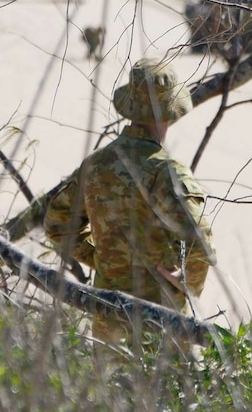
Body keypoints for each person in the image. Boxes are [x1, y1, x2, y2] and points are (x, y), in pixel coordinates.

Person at [29, 57, 215, 352]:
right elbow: (200, 243)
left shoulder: (96, 165)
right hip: (161, 320)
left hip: (107, 316)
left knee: (106, 394)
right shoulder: (168, 172)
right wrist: (188, 284)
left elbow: (57, 223)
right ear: (171, 112)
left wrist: (104, 259)